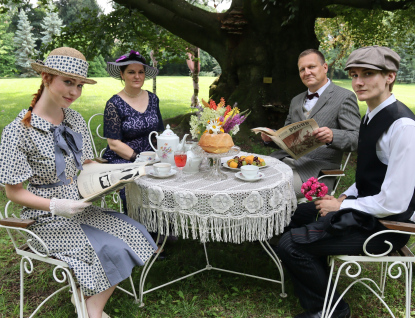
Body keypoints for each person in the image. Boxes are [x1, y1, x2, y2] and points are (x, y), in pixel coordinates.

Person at [0, 47, 158, 318]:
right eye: (68, 82)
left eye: (79, 85)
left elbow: (85, 165)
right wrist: (56, 204)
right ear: (47, 78)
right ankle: (91, 311)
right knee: (104, 247)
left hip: (81, 205)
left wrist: (117, 175)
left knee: (134, 233)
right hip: (46, 216)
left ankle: (88, 306)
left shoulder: (74, 119)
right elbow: (13, 193)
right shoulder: (18, 131)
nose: (74, 92)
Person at [276, 46, 415, 318]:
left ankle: (332, 310)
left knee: (290, 244)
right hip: (366, 211)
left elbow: (395, 201)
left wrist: (341, 207)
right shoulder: (371, 115)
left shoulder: (403, 127)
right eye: (354, 75)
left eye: (368, 74)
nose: (358, 82)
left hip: (385, 226)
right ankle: (316, 284)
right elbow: (367, 176)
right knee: (294, 214)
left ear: (390, 77)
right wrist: (342, 198)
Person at [261, 49, 361, 196]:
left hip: (317, 172)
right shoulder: (296, 100)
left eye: (311, 67)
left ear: (325, 67)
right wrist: (272, 138)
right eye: (302, 69)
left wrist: (333, 136)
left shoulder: (344, 97)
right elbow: (287, 139)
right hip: (284, 163)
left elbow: (357, 138)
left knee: (269, 191)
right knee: (250, 179)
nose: (306, 72)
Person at [102, 50, 163, 214]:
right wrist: (140, 159)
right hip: (124, 159)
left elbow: (159, 133)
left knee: (169, 173)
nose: (137, 76)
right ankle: (139, 226)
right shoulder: (114, 104)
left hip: (151, 156)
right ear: (122, 75)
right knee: (138, 182)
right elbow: (113, 144)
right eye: (131, 72)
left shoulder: (153, 99)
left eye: (141, 72)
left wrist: (162, 156)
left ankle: (163, 224)